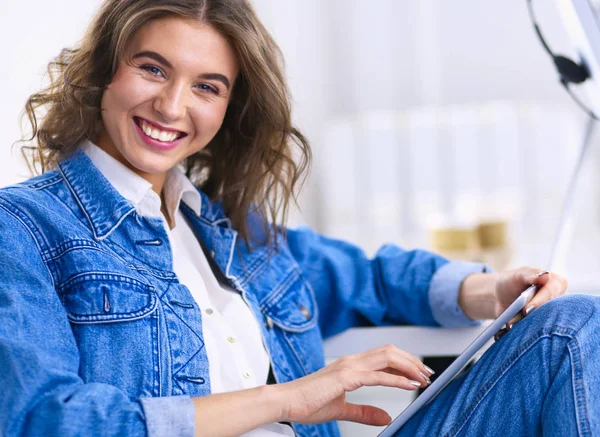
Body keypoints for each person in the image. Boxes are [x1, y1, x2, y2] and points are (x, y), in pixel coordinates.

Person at [1, 1, 598, 436]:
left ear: (228, 110)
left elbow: (372, 278)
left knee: (569, 327)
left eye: (207, 87)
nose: (172, 105)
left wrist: (491, 290)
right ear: (106, 70)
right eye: (153, 69)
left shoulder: (228, 232)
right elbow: (43, 421)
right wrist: (287, 400)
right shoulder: (24, 226)